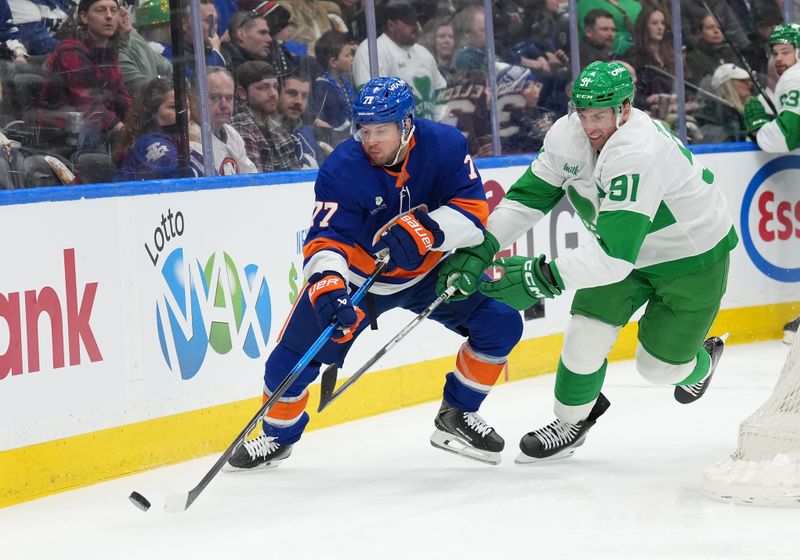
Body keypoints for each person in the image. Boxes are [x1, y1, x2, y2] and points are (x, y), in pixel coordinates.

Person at [438, 61, 738, 463]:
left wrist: (539, 275)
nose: (589, 125)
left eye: (599, 115)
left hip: (691, 257)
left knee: (658, 369)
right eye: (582, 114)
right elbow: (528, 198)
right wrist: (482, 246)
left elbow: (614, 258)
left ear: (625, 109)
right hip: (622, 251)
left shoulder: (638, 151)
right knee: (584, 335)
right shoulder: (568, 134)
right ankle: (571, 423)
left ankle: (700, 365)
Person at [224, 76, 523, 471]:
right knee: (288, 363)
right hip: (359, 282)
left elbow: (473, 213)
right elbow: (326, 237)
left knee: (502, 324)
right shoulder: (342, 168)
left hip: (428, 273)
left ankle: (458, 414)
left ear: (407, 125)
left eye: (381, 130)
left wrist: (430, 230)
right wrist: (328, 282)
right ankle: (278, 438)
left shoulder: (445, 146)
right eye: (364, 130)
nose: (371, 141)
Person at [744, 23, 800, 344]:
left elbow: (786, 135)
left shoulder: (794, 78)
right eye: (775, 53)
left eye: (785, 52)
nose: (779, 59)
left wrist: (759, 125)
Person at [39, 0, 131, 153]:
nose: (109, 16)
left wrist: (139, 124)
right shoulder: (69, 51)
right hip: (64, 141)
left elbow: (122, 98)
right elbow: (89, 105)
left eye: (113, 10)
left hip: (99, 134)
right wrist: (125, 131)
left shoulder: (108, 53)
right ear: (84, 17)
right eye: (101, 10)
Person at [352, 1, 445, 120]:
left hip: (426, 134)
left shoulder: (424, 53)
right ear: (391, 25)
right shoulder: (371, 50)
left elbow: (441, 91)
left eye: (416, 21)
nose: (416, 26)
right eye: (409, 22)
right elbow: (371, 100)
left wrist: (436, 128)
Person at [113, 76, 205, 181]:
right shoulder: (150, 142)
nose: (184, 113)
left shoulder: (175, 141)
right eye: (174, 107)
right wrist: (195, 145)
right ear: (153, 111)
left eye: (186, 107)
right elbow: (186, 180)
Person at [231, 60, 298, 171]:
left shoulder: (277, 127)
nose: (273, 94)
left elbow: (296, 176)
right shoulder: (240, 126)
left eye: (275, 86)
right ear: (242, 93)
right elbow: (255, 183)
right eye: (263, 87)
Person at [202, 67, 258, 175]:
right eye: (214, 98)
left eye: (229, 98)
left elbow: (251, 177)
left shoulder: (232, 134)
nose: (224, 105)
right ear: (195, 98)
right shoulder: (193, 137)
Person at [310, 30, 354, 147]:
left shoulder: (345, 82)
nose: (352, 59)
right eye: (347, 55)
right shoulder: (322, 86)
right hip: (335, 142)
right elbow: (320, 119)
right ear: (333, 62)